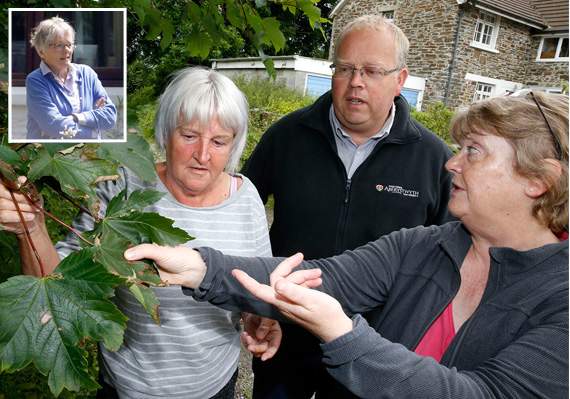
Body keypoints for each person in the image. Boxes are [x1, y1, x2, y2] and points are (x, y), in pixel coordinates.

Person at [125, 91, 569, 398]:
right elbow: (325, 278)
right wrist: (200, 268)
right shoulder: (422, 246)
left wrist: (343, 335)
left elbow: (481, 392)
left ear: (538, 180)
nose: (452, 163)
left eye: (474, 150)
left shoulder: (560, 299)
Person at [0, 67, 279, 398]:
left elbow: (257, 288)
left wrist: (260, 318)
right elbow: (55, 284)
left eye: (219, 141)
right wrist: (31, 226)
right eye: (189, 136)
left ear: (235, 144)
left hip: (215, 386)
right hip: (127, 389)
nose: (203, 155)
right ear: (164, 133)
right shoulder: (125, 186)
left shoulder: (246, 198)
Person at [241, 14, 453, 398]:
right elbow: (241, 211)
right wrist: (253, 299)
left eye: (372, 71)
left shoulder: (434, 160)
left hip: (375, 349)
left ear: (400, 80)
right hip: (286, 332)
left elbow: (453, 261)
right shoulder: (287, 137)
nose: (356, 82)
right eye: (345, 68)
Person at [26, 16, 117, 140]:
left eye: (69, 44)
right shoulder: (35, 80)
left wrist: (76, 117)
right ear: (41, 51)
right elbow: (53, 125)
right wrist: (93, 132)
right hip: (50, 155)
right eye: (59, 45)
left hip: (88, 154)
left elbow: (110, 116)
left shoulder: (87, 74)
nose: (67, 50)